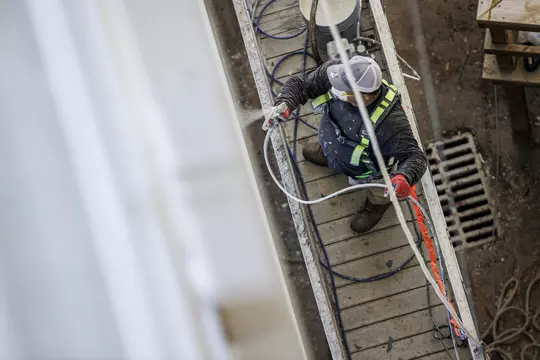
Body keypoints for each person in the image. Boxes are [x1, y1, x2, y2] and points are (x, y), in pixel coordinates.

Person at [270, 56, 427, 233]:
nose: (338, 91)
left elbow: (414, 157)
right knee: (331, 152)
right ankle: (331, 156)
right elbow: (301, 84)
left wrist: (404, 177)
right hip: (334, 143)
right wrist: (285, 103)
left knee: (380, 190)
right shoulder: (338, 72)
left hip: (369, 170)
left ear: (365, 96)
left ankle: (377, 204)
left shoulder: (391, 123)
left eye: (346, 91)